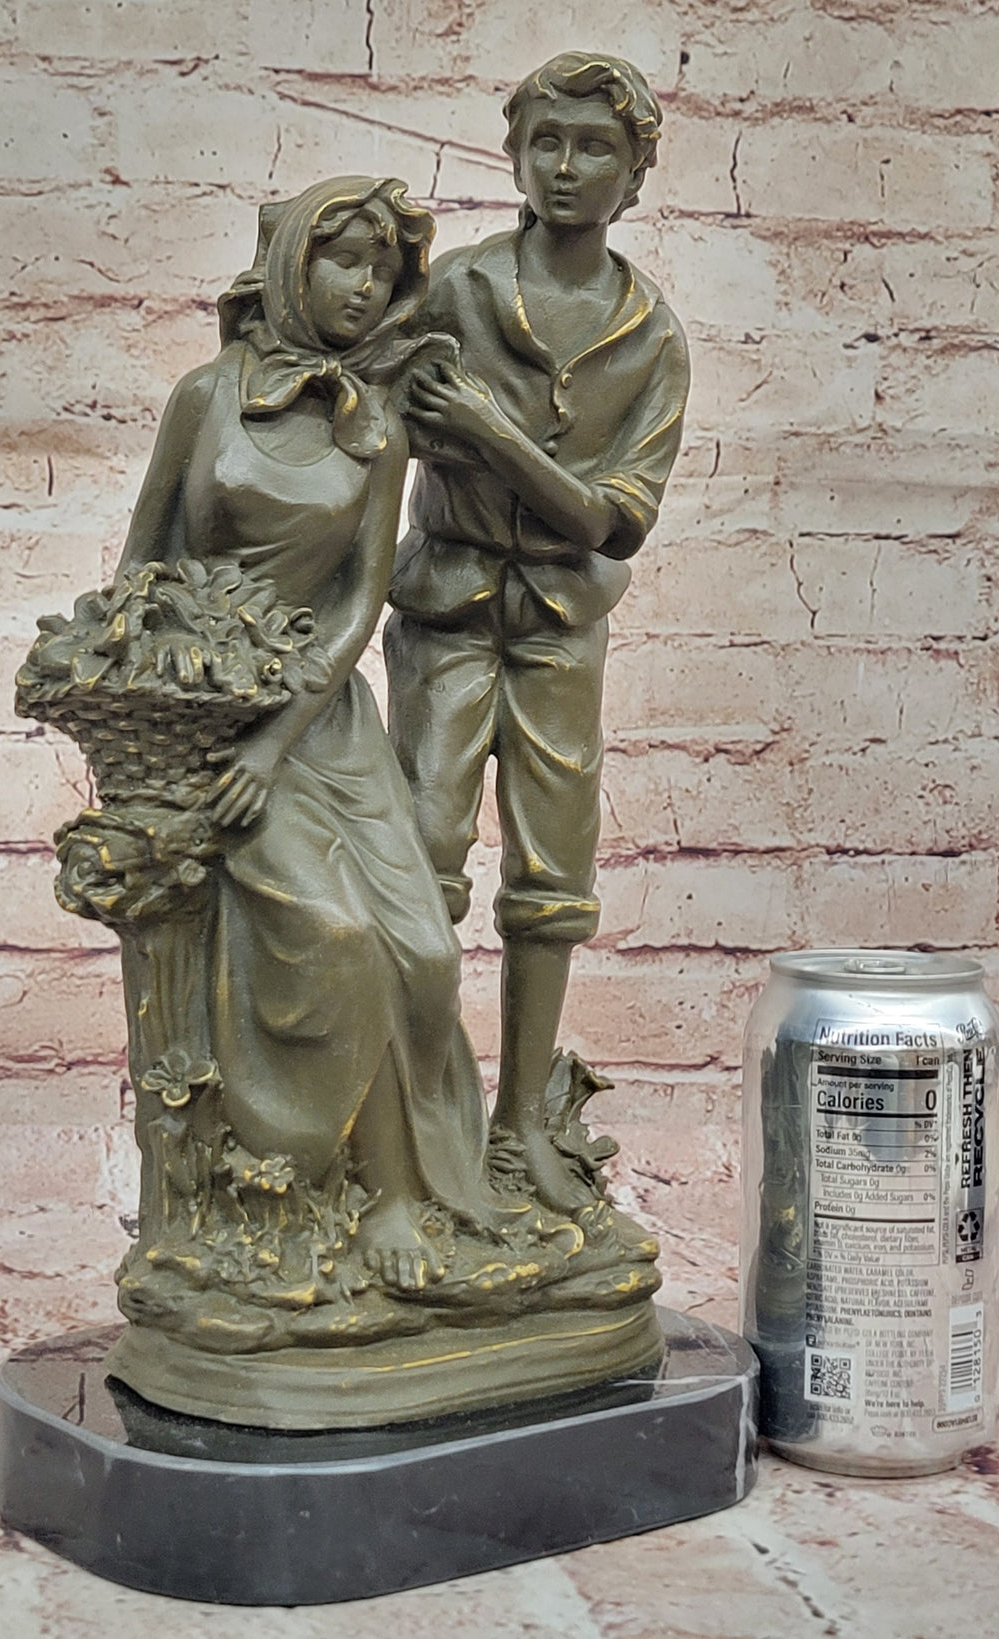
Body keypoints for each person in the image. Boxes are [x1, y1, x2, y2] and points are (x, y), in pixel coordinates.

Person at [115, 177, 494, 1292]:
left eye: (382, 269)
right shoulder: (206, 398)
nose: (364, 286)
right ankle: (361, 1186)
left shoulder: (374, 427)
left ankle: (416, 1187)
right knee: (335, 935)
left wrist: (277, 740)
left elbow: (358, 603)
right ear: (293, 266)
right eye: (344, 260)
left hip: (319, 724)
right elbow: (141, 569)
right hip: (209, 719)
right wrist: (173, 714)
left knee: (424, 948)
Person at [385, 54, 690, 1213]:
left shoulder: (650, 337)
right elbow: (376, 438)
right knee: (421, 858)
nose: (565, 168)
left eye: (594, 147)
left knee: (553, 878)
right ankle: (418, 1126)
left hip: (561, 624)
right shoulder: (454, 292)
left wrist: (491, 434)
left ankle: (519, 1127)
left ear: (634, 172)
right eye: (545, 143)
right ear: (514, 156)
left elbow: (608, 525)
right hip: (447, 610)